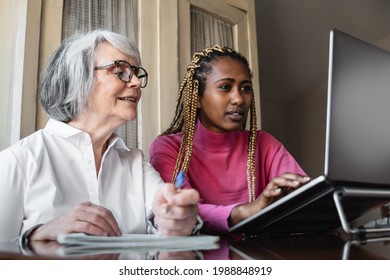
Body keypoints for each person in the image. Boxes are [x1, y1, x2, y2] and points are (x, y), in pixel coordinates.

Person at [0, 30, 200, 242]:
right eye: (121, 71)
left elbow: (166, 222)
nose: (137, 83)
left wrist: (176, 219)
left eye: (136, 72)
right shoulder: (17, 161)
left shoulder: (136, 165)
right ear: (78, 79)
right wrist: (34, 237)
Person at [149, 45, 310, 234]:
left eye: (246, 88)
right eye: (225, 87)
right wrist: (246, 210)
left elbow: (305, 200)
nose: (239, 99)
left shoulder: (263, 143)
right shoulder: (169, 148)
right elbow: (179, 210)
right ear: (197, 97)